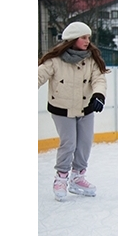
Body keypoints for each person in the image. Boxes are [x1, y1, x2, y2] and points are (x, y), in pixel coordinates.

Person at [38, 22, 108, 201]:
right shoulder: (54, 61)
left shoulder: (91, 60)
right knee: (69, 143)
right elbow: (38, 76)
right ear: (72, 39)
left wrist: (98, 94)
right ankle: (61, 177)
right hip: (61, 108)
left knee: (84, 143)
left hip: (86, 107)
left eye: (88, 38)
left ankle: (77, 177)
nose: (87, 41)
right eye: (83, 37)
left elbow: (99, 79)